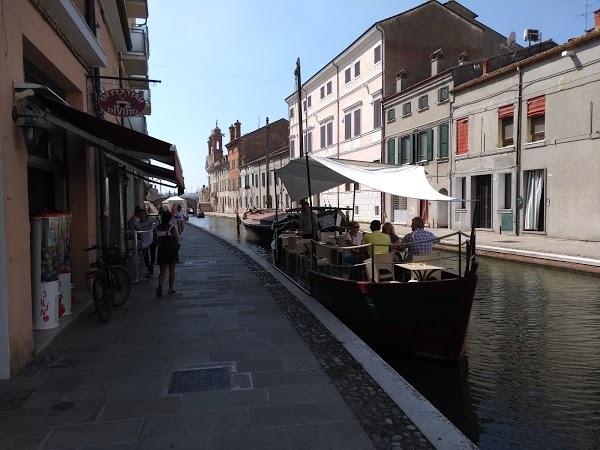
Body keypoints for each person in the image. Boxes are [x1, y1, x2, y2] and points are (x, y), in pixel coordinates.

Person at [155, 210, 179, 297]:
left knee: (162, 272)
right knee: (172, 271)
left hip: (162, 251)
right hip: (171, 251)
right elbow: (177, 239)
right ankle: (170, 289)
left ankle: (160, 285)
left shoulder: (157, 228)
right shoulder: (171, 228)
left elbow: (156, 240)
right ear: (169, 219)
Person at [137, 210, 157, 278]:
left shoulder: (150, 221)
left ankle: (151, 266)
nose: (142, 215)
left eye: (143, 214)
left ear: (145, 214)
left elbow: (151, 226)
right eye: (140, 214)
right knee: (145, 256)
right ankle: (148, 268)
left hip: (151, 240)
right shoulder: (138, 224)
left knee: (152, 254)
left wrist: (143, 228)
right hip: (143, 241)